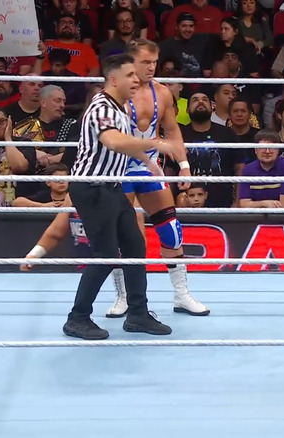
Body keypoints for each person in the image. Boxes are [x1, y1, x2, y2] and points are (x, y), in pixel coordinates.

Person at [52, 53, 179, 340]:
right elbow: (112, 140)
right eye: (130, 75)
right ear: (113, 79)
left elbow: (123, 146)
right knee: (106, 254)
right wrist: (154, 143)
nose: (137, 80)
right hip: (93, 187)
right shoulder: (102, 108)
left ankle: (137, 314)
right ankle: (77, 318)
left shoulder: (119, 109)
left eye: (137, 74)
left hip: (111, 187)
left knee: (135, 246)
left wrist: (149, 162)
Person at [109, 39, 210, 318]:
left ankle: (181, 295)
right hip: (118, 168)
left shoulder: (163, 93)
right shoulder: (115, 93)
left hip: (149, 167)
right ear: (131, 62)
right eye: (145, 62)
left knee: (170, 228)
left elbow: (172, 131)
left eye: (154, 62)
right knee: (122, 234)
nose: (151, 67)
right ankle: (124, 296)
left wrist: (184, 165)